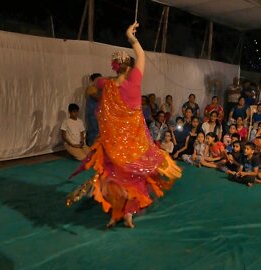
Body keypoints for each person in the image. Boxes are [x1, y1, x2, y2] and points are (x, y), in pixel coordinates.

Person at [66, 22, 181, 229]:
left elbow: (93, 87)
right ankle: (128, 213)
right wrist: (131, 36)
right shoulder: (134, 82)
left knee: (113, 177)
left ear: (115, 67)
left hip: (113, 146)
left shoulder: (105, 84)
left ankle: (116, 212)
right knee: (136, 177)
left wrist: (106, 83)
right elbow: (142, 56)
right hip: (135, 145)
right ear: (129, 69)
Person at [85, 73, 102, 146]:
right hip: (93, 115)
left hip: (100, 114)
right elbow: (98, 98)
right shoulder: (91, 88)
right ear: (93, 80)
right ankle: (92, 148)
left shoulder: (101, 89)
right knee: (94, 132)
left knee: (100, 132)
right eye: (99, 80)